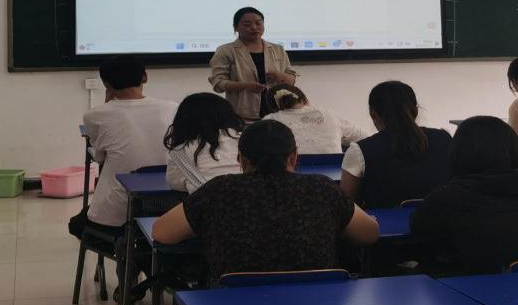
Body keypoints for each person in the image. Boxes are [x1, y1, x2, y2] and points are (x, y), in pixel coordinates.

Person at [151, 119, 380, 279]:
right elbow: (369, 234)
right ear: (294, 157)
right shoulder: (322, 188)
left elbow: (161, 232)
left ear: (241, 159)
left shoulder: (219, 189)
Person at [411, 116, 518, 274]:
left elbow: (420, 230)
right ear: (515, 149)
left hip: (471, 290)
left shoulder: (447, 196)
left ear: (457, 153)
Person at [68, 55, 177, 247]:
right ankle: (140, 256)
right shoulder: (173, 109)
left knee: (76, 224)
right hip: (168, 209)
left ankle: (128, 258)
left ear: (106, 84)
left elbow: (99, 157)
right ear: (145, 77)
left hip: (118, 215)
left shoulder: (95, 115)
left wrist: (107, 103)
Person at [341, 81, 452, 208]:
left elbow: (346, 207)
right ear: (416, 111)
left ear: (373, 114)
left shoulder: (360, 150)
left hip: (382, 221)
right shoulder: (444, 139)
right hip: (444, 219)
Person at [208, 7, 299, 120]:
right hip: (242, 115)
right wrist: (245, 86)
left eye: (258, 23)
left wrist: (281, 76)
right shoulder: (225, 50)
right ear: (236, 27)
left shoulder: (277, 49)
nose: (254, 27)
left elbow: (292, 79)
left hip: (277, 114)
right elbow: (218, 83)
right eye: (247, 24)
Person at [165, 92, 244, 193]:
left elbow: (174, 183)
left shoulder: (180, 152)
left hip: (209, 201)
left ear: (183, 121)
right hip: (252, 199)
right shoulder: (246, 140)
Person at [261, 84, 367, 154]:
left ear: (272, 109)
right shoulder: (329, 114)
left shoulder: (270, 121)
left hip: (290, 178)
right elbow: (366, 139)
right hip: (333, 177)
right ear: (306, 100)